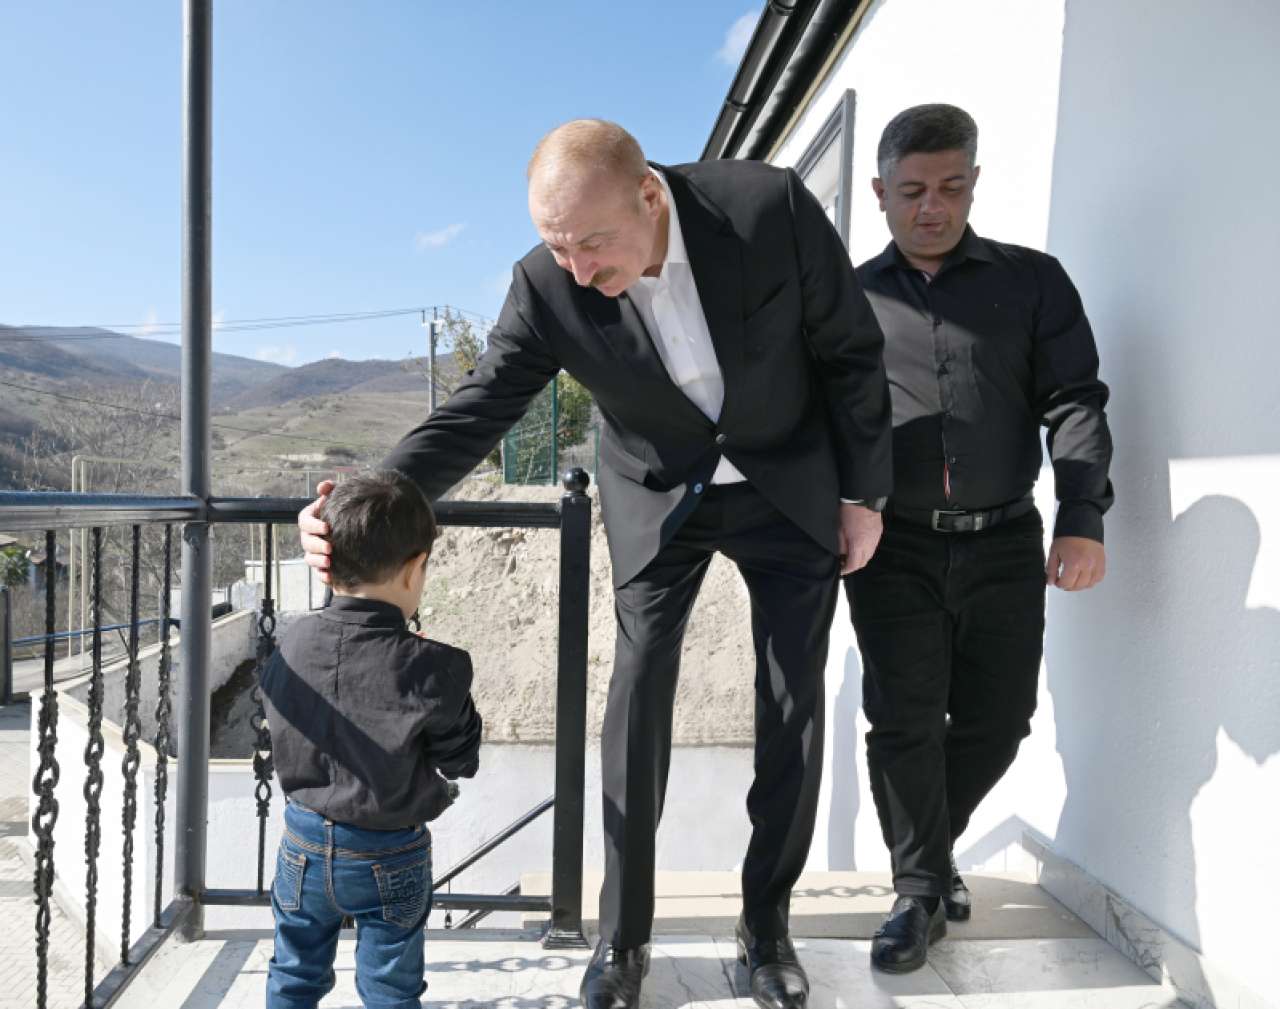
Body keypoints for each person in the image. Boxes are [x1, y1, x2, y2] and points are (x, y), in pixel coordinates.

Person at [299, 119, 893, 1009]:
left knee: (792, 705)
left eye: (591, 243)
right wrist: (359, 500)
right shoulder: (545, 285)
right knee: (637, 698)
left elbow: (850, 349)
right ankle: (623, 937)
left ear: (649, 195)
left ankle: (767, 926)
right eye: (556, 245)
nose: (577, 269)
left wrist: (864, 493)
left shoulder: (768, 207)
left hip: (788, 485)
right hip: (659, 496)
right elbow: (480, 405)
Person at [847, 104, 1115, 974]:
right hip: (893, 543)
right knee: (905, 717)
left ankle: (927, 853)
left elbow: (1074, 400)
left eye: (951, 187)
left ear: (973, 183)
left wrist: (1083, 516)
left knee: (1001, 719)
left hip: (1005, 538)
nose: (932, 206)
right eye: (912, 191)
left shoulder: (1033, 282)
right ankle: (919, 891)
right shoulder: (847, 300)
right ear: (880, 192)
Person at [263, 470, 483, 1009]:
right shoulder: (436, 667)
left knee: (293, 973)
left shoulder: (291, 642)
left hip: (302, 843)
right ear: (413, 568)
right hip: (390, 850)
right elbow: (460, 758)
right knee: (390, 987)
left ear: (328, 562)